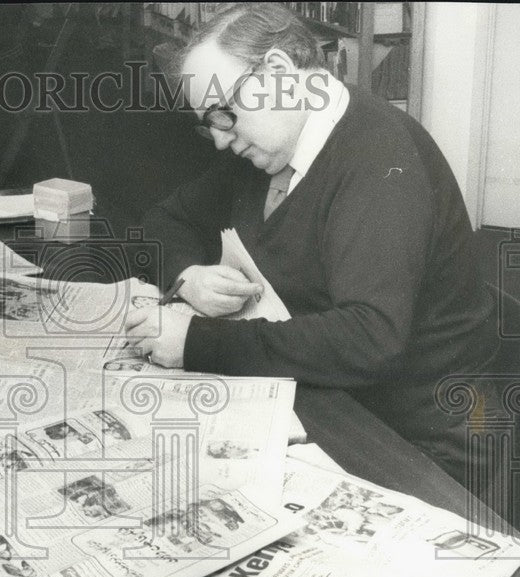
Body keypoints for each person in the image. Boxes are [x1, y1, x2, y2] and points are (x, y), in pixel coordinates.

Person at [124, 4, 499, 489]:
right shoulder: (273, 142)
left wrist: (195, 342)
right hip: (328, 394)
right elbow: (167, 219)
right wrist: (188, 276)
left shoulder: (380, 159)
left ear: (278, 73)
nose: (219, 140)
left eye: (222, 115)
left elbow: (371, 338)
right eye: (208, 124)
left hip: (414, 435)